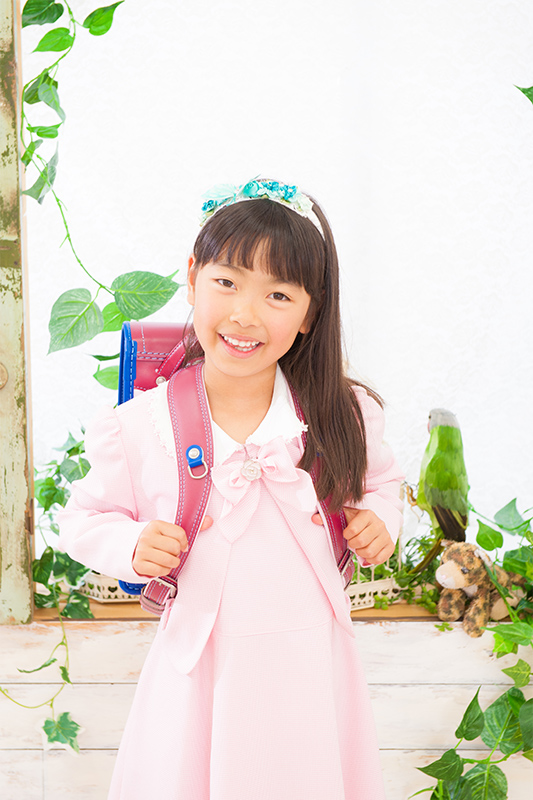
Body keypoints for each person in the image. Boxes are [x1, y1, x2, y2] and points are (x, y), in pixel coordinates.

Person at [58, 178, 404, 800]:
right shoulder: (140, 426)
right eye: (227, 282)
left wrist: (380, 520)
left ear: (311, 313)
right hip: (202, 672)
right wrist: (132, 545)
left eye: (278, 294)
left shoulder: (342, 414)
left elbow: (381, 483)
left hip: (311, 666)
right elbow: (83, 519)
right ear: (192, 276)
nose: (246, 313)